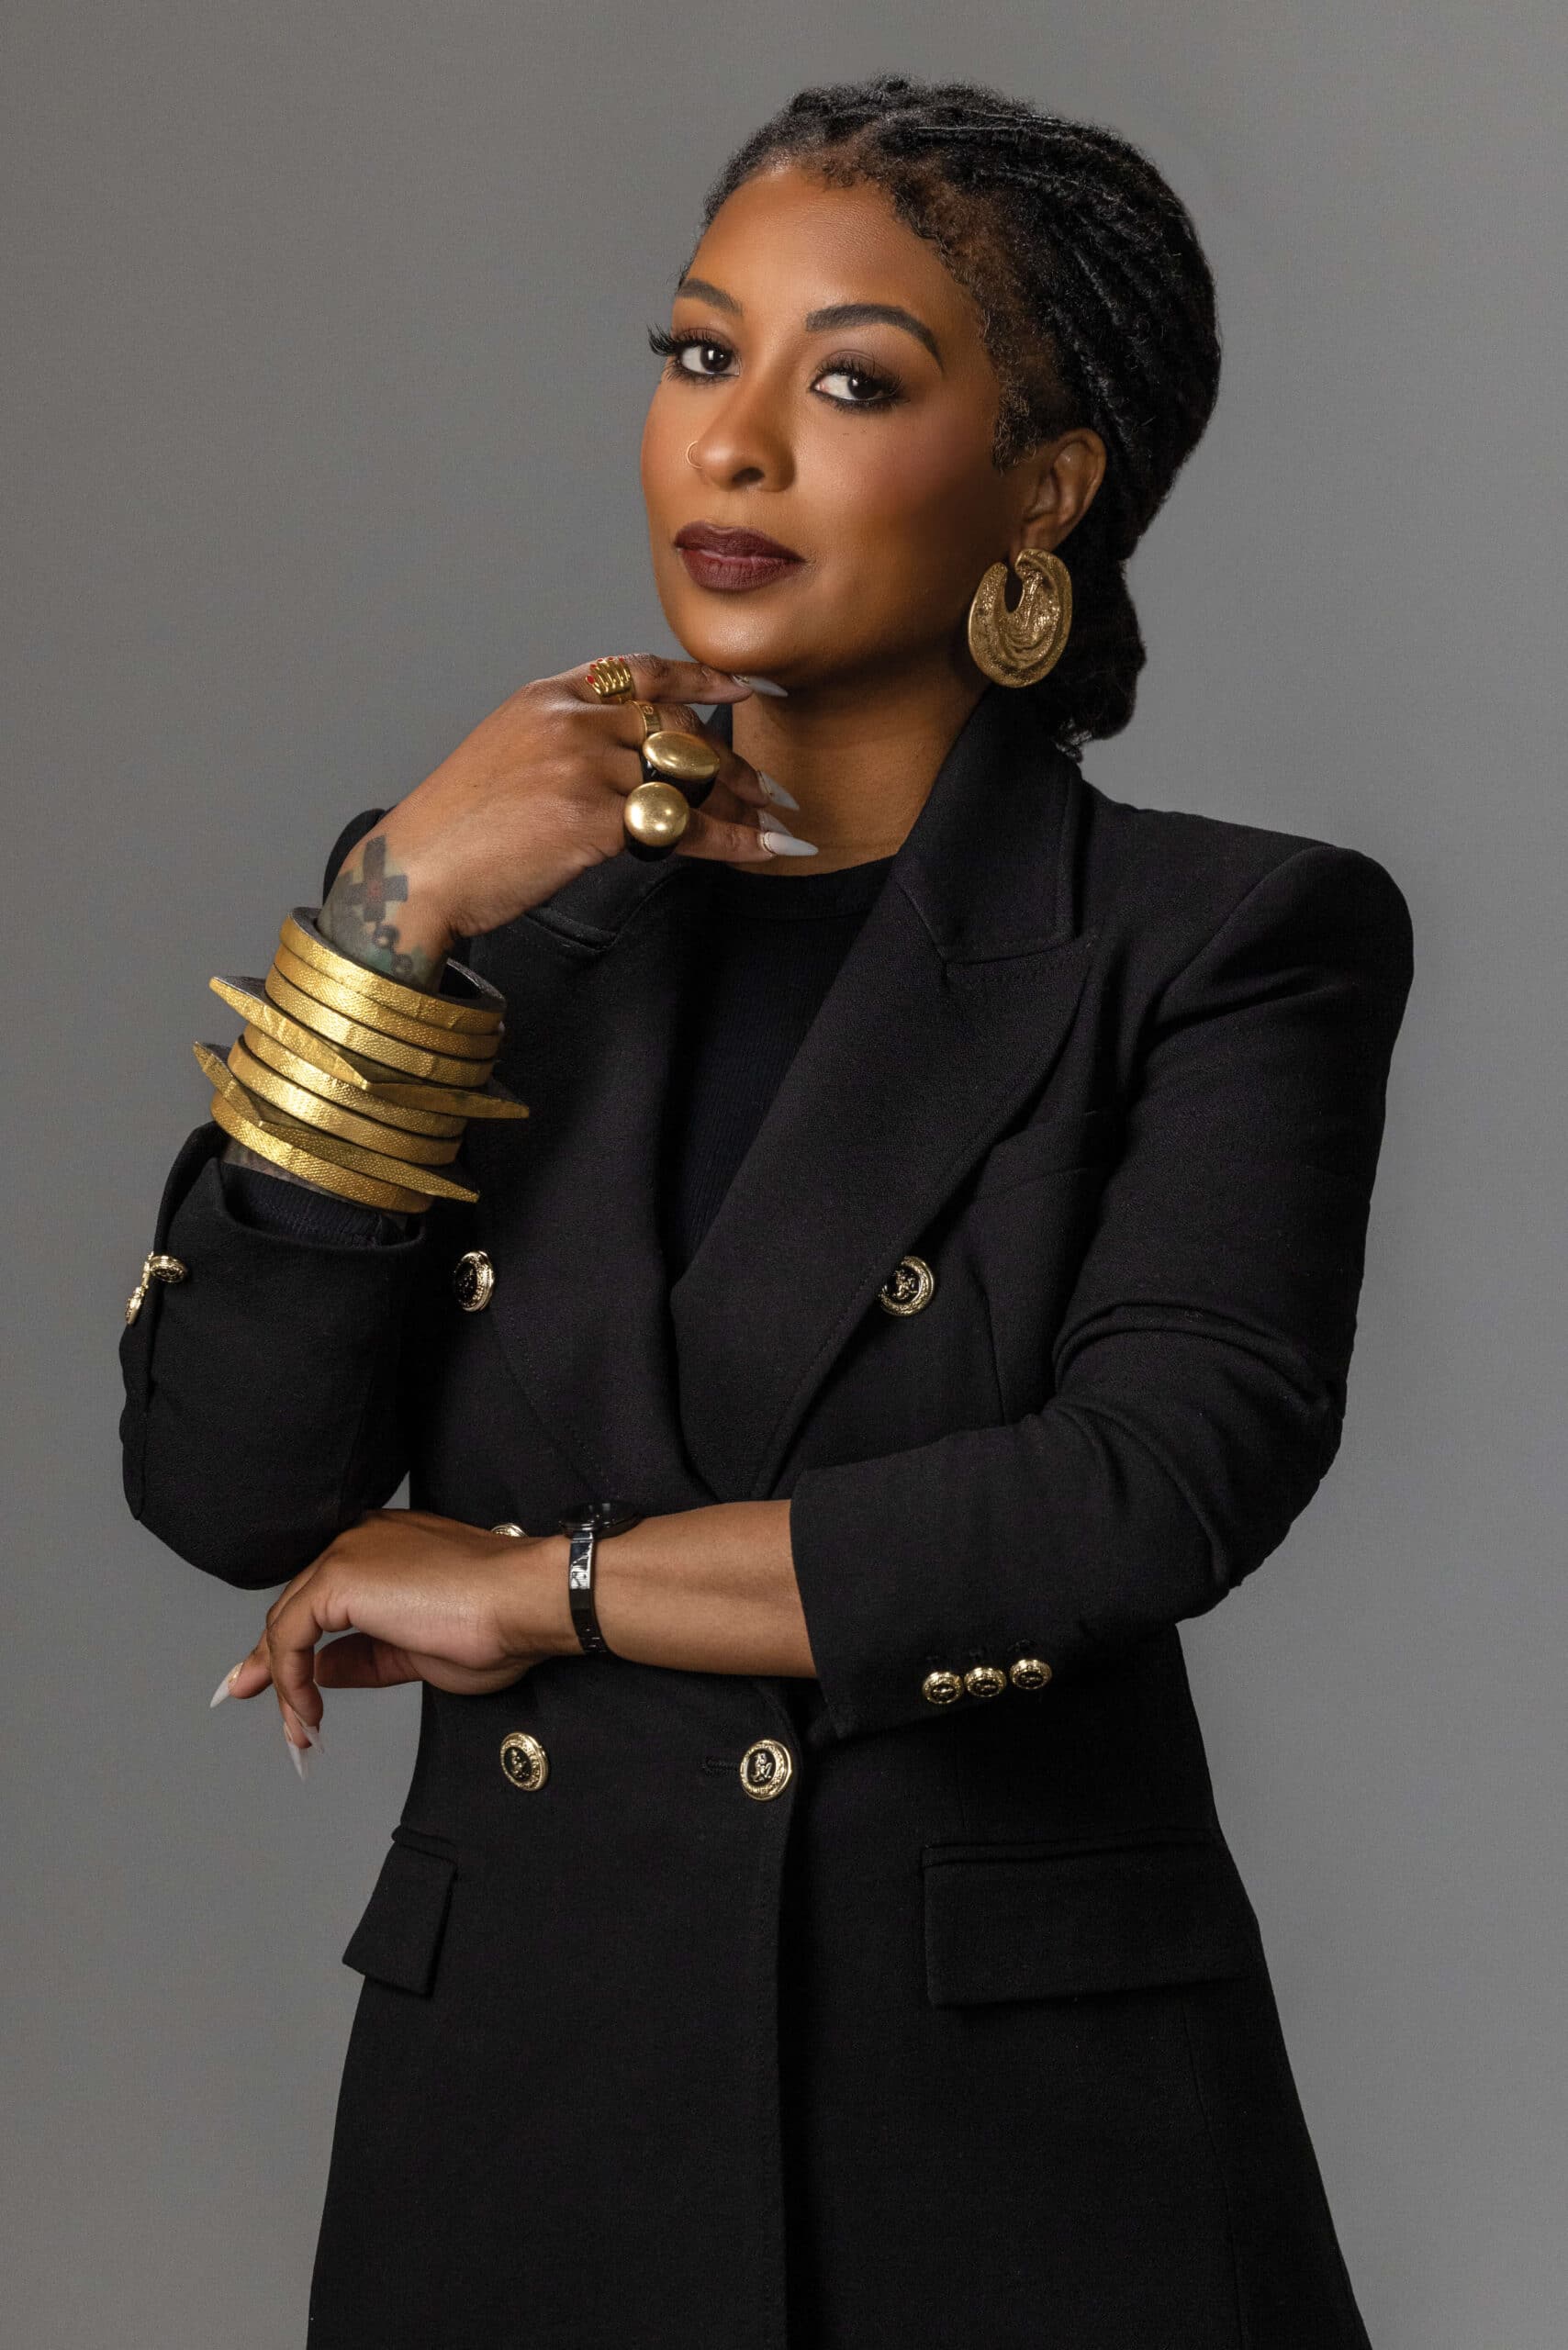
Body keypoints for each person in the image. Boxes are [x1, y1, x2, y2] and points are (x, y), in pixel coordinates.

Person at [118, 72, 1413, 2350]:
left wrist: (538, 1586)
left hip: (1008, 2155)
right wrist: (389, 915)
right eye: (701, 354)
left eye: (852, 381)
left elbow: (1137, 1490)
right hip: (514, 2130)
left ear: (1044, 481)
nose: (733, 444)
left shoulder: (1219, 937)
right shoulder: (489, 938)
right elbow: (234, 1489)